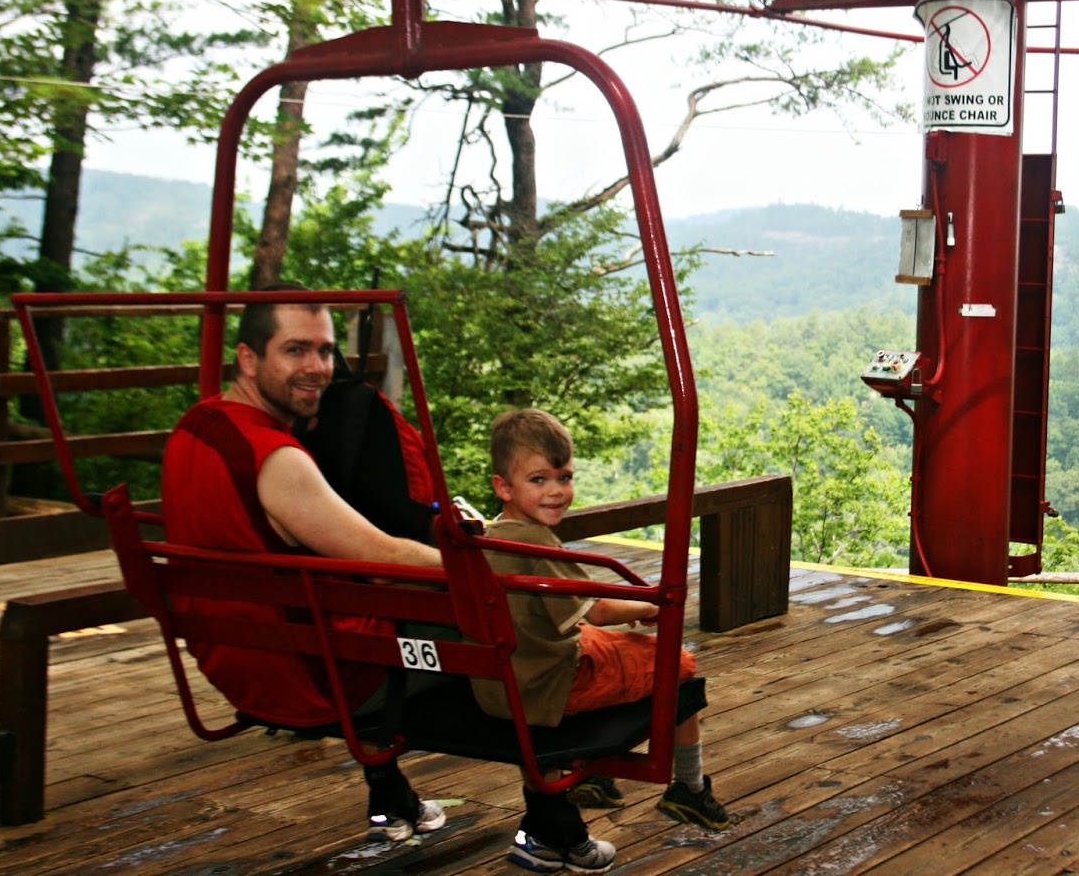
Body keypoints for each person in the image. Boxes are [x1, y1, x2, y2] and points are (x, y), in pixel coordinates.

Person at [161, 290, 614, 873]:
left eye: (325, 350)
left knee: (427, 608)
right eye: (295, 349)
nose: (317, 367)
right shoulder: (276, 459)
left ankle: (391, 796)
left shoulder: (192, 429)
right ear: (248, 359)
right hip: (316, 674)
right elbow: (382, 556)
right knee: (518, 628)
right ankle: (553, 825)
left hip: (237, 653)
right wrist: (486, 571)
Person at [477, 408, 732, 846]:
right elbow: (595, 609)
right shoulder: (536, 542)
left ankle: (591, 773)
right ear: (504, 486)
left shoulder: (490, 536)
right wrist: (653, 604)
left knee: (616, 648)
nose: (556, 491)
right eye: (539, 480)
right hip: (551, 683)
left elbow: (573, 611)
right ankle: (689, 788)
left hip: (501, 679)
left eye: (564, 477)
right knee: (676, 663)